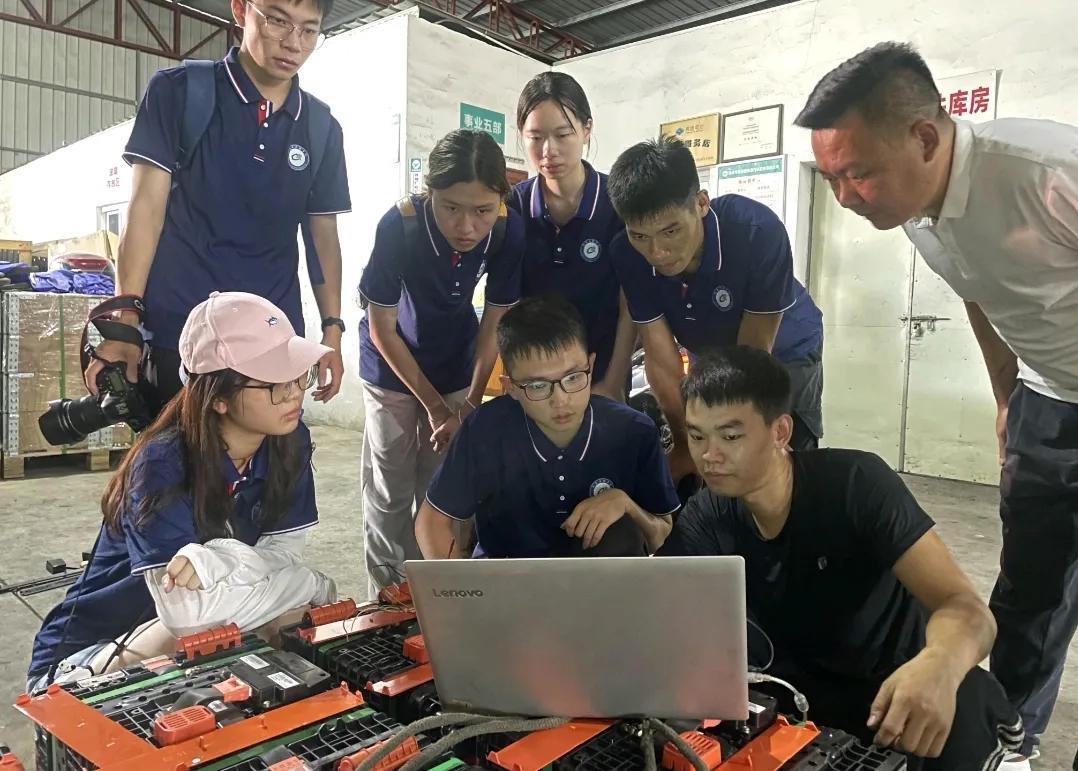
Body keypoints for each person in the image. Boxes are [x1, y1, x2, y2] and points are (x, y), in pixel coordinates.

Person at [796, 41, 1078, 767]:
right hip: (1048, 405)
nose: (845, 197)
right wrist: (1007, 396)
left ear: (925, 137)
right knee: (1030, 591)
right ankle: (1012, 742)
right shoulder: (918, 213)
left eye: (858, 173)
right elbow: (982, 294)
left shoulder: (1046, 172)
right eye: (830, 178)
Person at [659, 347, 1023, 770]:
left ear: (780, 432)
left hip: (896, 694)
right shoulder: (709, 514)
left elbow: (967, 609)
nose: (709, 455)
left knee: (962, 695)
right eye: (697, 436)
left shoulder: (856, 486)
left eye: (730, 436)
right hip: (797, 700)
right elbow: (659, 608)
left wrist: (939, 663)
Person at [27, 291, 336, 693]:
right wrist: (309, 582)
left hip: (188, 631)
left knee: (294, 621)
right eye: (275, 382)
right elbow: (189, 619)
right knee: (222, 631)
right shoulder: (162, 463)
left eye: (297, 374)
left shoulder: (288, 440)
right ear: (218, 396)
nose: (294, 392)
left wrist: (218, 560)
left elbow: (285, 554)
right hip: (88, 660)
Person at [86, 0, 350, 409]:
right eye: (277, 21)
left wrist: (332, 329)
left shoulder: (321, 128)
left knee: (277, 450)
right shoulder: (179, 91)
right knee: (178, 448)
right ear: (241, 10)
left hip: (274, 337)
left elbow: (323, 237)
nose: (293, 43)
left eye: (309, 30)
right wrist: (127, 322)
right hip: (182, 334)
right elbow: (145, 213)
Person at [359, 129, 524, 592]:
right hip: (390, 367)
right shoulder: (400, 226)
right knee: (390, 486)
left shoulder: (508, 231)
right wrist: (434, 407)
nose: (467, 226)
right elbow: (382, 327)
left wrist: (470, 402)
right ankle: (388, 595)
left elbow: (494, 320)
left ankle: (430, 594)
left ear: (500, 201)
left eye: (482, 210)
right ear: (429, 191)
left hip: (455, 362)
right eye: (451, 207)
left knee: (440, 486)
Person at [606, 136, 824, 483]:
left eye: (671, 230)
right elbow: (661, 359)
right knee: (709, 457)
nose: (657, 252)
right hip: (708, 351)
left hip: (784, 350)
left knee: (776, 456)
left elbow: (753, 358)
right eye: (640, 236)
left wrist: (718, 437)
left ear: (701, 203)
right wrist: (684, 444)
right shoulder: (627, 253)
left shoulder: (755, 231)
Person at [415, 295, 680, 560]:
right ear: (510, 388)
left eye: (573, 377)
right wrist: (462, 586)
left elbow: (663, 535)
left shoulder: (634, 432)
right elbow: (432, 521)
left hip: (598, 580)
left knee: (619, 534)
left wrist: (626, 504)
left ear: (591, 366)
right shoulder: (485, 430)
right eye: (538, 386)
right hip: (504, 575)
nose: (561, 400)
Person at [510, 72, 635, 400]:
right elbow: (506, 304)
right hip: (536, 380)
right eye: (535, 137)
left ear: (586, 129)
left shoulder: (616, 204)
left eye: (563, 134)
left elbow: (630, 304)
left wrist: (613, 382)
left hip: (604, 372)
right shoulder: (514, 206)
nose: (548, 151)